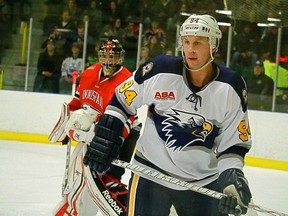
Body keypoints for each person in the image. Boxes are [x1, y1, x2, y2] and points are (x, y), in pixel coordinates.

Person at [83, 14, 253, 216]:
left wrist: (231, 176)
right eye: (186, 41)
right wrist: (107, 135)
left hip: (203, 183)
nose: (190, 49)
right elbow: (122, 100)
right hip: (150, 174)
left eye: (198, 43)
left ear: (214, 46)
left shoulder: (230, 87)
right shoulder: (160, 69)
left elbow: (232, 144)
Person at [51, 39, 141, 216]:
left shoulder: (127, 81)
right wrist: (66, 125)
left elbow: (129, 119)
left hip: (122, 136)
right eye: (104, 55)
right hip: (90, 136)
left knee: (106, 182)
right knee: (81, 180)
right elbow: (77, 102)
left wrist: (108, 144)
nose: (108, 60)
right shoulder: (89, 73)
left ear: (120, 58)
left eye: (113, 56)